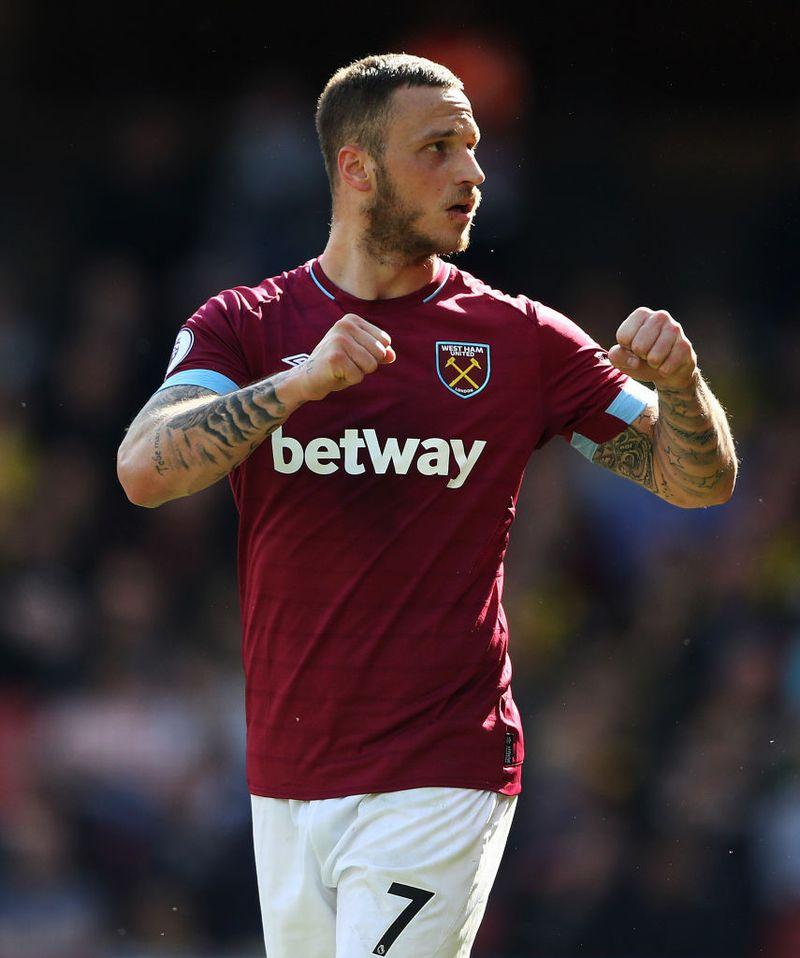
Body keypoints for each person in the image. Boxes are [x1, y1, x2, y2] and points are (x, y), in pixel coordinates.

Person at [117, 53, 737, 958]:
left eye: (475, 147)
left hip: (441, 766)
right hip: (288, 772)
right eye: (439, 148)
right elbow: (144, 468)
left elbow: (696, 481)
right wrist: (298, 385)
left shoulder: (518, 339)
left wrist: (682, 386)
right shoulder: (247, 324)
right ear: (357, 168)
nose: (473, 172)